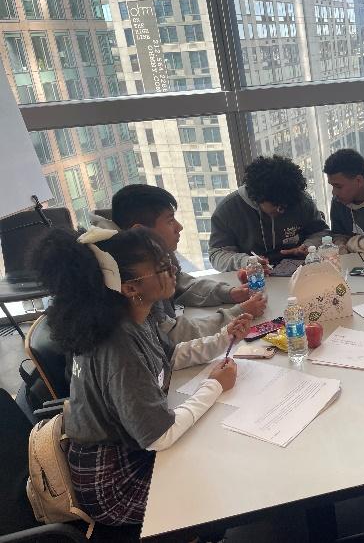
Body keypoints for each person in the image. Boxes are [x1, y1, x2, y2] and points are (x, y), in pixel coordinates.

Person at [36, 225, 252, 531]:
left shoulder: (132, 317)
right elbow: (159, 436)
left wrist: (222, 338)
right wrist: (215, 385)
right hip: (114, 481)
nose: (173, 269)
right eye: (162, 266)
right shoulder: (118, 344)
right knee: (223, 483)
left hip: (132, 451)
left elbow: (168, 356)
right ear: (130, 288)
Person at [91, 184, 266, 346]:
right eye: (170, 220)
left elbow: (181, 284)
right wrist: (237, 313)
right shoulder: (129, 272)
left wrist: (230, 294)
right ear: (140, 231)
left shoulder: (145, 253)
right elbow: (169, 334)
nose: (179, 227)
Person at [209, 155, 329, 270]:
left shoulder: (301, 200)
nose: (282, 211)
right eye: (278, 207)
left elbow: (321, 232)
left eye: (287, 206)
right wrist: (247, 262)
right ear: (256, 198)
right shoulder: (228, 210)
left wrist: (308, 246)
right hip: (252, 276)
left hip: (299, 271)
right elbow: (217, 254)